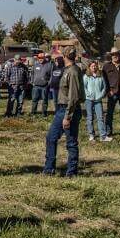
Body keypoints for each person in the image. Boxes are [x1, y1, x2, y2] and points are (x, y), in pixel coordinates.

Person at [45, 47, 83, 177]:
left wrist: (68, 116)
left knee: (71, 142)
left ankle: (71, 172)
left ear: (65, 56)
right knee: (51, 138)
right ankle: (49, 168)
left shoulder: (73, 71)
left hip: (69, 110)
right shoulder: (66, 70)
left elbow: (74, 96)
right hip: (61, 109)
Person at [83, 61, 112, 142]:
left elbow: (104, 87)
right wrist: (88, 95)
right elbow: (84, 87)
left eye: (95, 66)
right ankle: (91, 135)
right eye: (92, 66)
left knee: (100, 117)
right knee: (90, 117)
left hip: (98, 100)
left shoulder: (100, 76)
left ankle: (103, 136)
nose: (94, 67)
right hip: (89, 99)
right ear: (89, 67)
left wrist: (101, 95)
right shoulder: (86, 76)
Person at [102, 51, 120, 138]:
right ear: (111, 56)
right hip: (112, 92)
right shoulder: (106, 66)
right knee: (109, 113)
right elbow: (104, 80)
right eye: (113, 55)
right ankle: (108, 131)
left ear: (119, 55)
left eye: (117, 54)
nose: (115, 56)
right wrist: (107, 91)